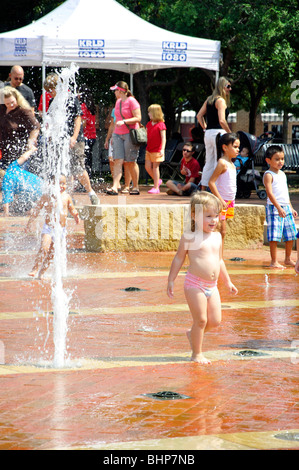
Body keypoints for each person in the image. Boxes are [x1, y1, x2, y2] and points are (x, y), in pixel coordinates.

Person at [167, 191, 238, 364]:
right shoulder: (189, 237)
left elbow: (219, 260)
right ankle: (196, 354)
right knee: (201, 320)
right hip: (194, 284)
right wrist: (171, 279)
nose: (213, 220)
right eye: (208, 216)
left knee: (215, 321)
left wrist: (227, 281)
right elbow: (178, 258)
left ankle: (193, 335)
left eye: (216, 216)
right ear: (194, 215)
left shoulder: (217, 237)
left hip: (212, 285)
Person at [43, 73, 99, 205]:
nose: (49, 93)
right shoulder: (52, 101)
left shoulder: (70, 98)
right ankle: (67, 197)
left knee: (78, 168)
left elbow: (78, 118)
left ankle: (91, 192)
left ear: (57, 87)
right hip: (59, 140)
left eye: (50, 90)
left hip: (74, 139)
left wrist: (74, 137)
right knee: (61, 169)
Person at [25, 174, 80, 279]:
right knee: (44, 247)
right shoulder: (47, 196)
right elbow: (37, 210)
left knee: (52, 254)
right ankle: (35, 268)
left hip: (60, 230)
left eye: (63, 183)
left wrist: (76, 215)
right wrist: (29, 223)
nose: (61, 186)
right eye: (58, 184)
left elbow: (72, 209)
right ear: (52, 184)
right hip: (49, 228)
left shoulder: (67, 197)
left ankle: (42, 272)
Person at [263, 145, 297, 268]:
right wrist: (278, 208)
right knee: (274, 235)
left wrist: (290, 207)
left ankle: (288, 259)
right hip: (274, 208)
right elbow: (270, 193)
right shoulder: (268, 174)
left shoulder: (283, 174)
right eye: (277, 159)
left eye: (282, 159)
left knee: (291, 234)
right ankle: (274, 261)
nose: (280, 162)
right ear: (268, 160)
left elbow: (285, 193)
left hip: (285, 207)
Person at [196, 77, 232, 190]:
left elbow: (199, 116)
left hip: (208, 133)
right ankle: (217, 189)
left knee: (209, 161)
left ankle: (203, 190)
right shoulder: (221, 101)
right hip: (219, 133)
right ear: (222, 86)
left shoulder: (209, 99)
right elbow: (222, 120)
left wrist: (205, 128)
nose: (230, 89)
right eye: (228, 86)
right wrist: (230, 133)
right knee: (219, 161)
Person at [106, 81, 141, 195]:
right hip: (117, 134)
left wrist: (125, 121)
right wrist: (112, 136)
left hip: (129, 134)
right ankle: (115, 186)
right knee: (117, 160)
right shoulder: (118, 102)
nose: (114, 92)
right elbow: (115, 120)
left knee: (130, 161)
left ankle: (135, 186)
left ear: (121, 91)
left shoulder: (132, 101)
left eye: (115, 90)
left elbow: (138, 118)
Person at [209, 133, 239, 253]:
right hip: (222, 202)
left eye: (238, 147)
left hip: (229, 202)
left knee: (222, 231)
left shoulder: (231, 164)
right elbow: (211, 182)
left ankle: (218, 256)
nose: (238, 150)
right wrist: (221, 200)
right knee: (221, 230)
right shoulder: (222, 163)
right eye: (235, 147)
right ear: (225, 147)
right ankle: (217, 257)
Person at [0, 86, 40, 170]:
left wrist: (31, 141)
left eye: (12, 102)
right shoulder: (2, 109)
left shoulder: (23, 111)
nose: (11, 105)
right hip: (5, 153)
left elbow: (35, 126)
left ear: (17, 98)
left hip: (19, 155)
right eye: (7, 103)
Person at [1, 145, 43, 216]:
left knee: (22, 208)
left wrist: (6, 213)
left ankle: (33, 211)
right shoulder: (11, 167)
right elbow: (24, 158)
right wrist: (31, 150)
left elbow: (6, 200)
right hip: (40, 183)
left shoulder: (6, 182)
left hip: (32, 191)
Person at [145, 104, 166, 194]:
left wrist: (162, 149)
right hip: (149, 149)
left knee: (155, 167)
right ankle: (157, 180)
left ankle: (156, 187)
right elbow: (146, 135)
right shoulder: (149, 124)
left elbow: (163, 138)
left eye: (150, 112)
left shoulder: (161, 124)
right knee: (147, 167)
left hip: (157, 150)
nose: (148, 114)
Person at [78, 87, 98, 177]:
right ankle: (89, 178)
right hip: (92, 136)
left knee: (83, 161)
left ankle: (84, 182)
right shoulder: (91, 106)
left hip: (85, 136)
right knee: (88, 160)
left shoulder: (83, 106)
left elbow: (84, 123)